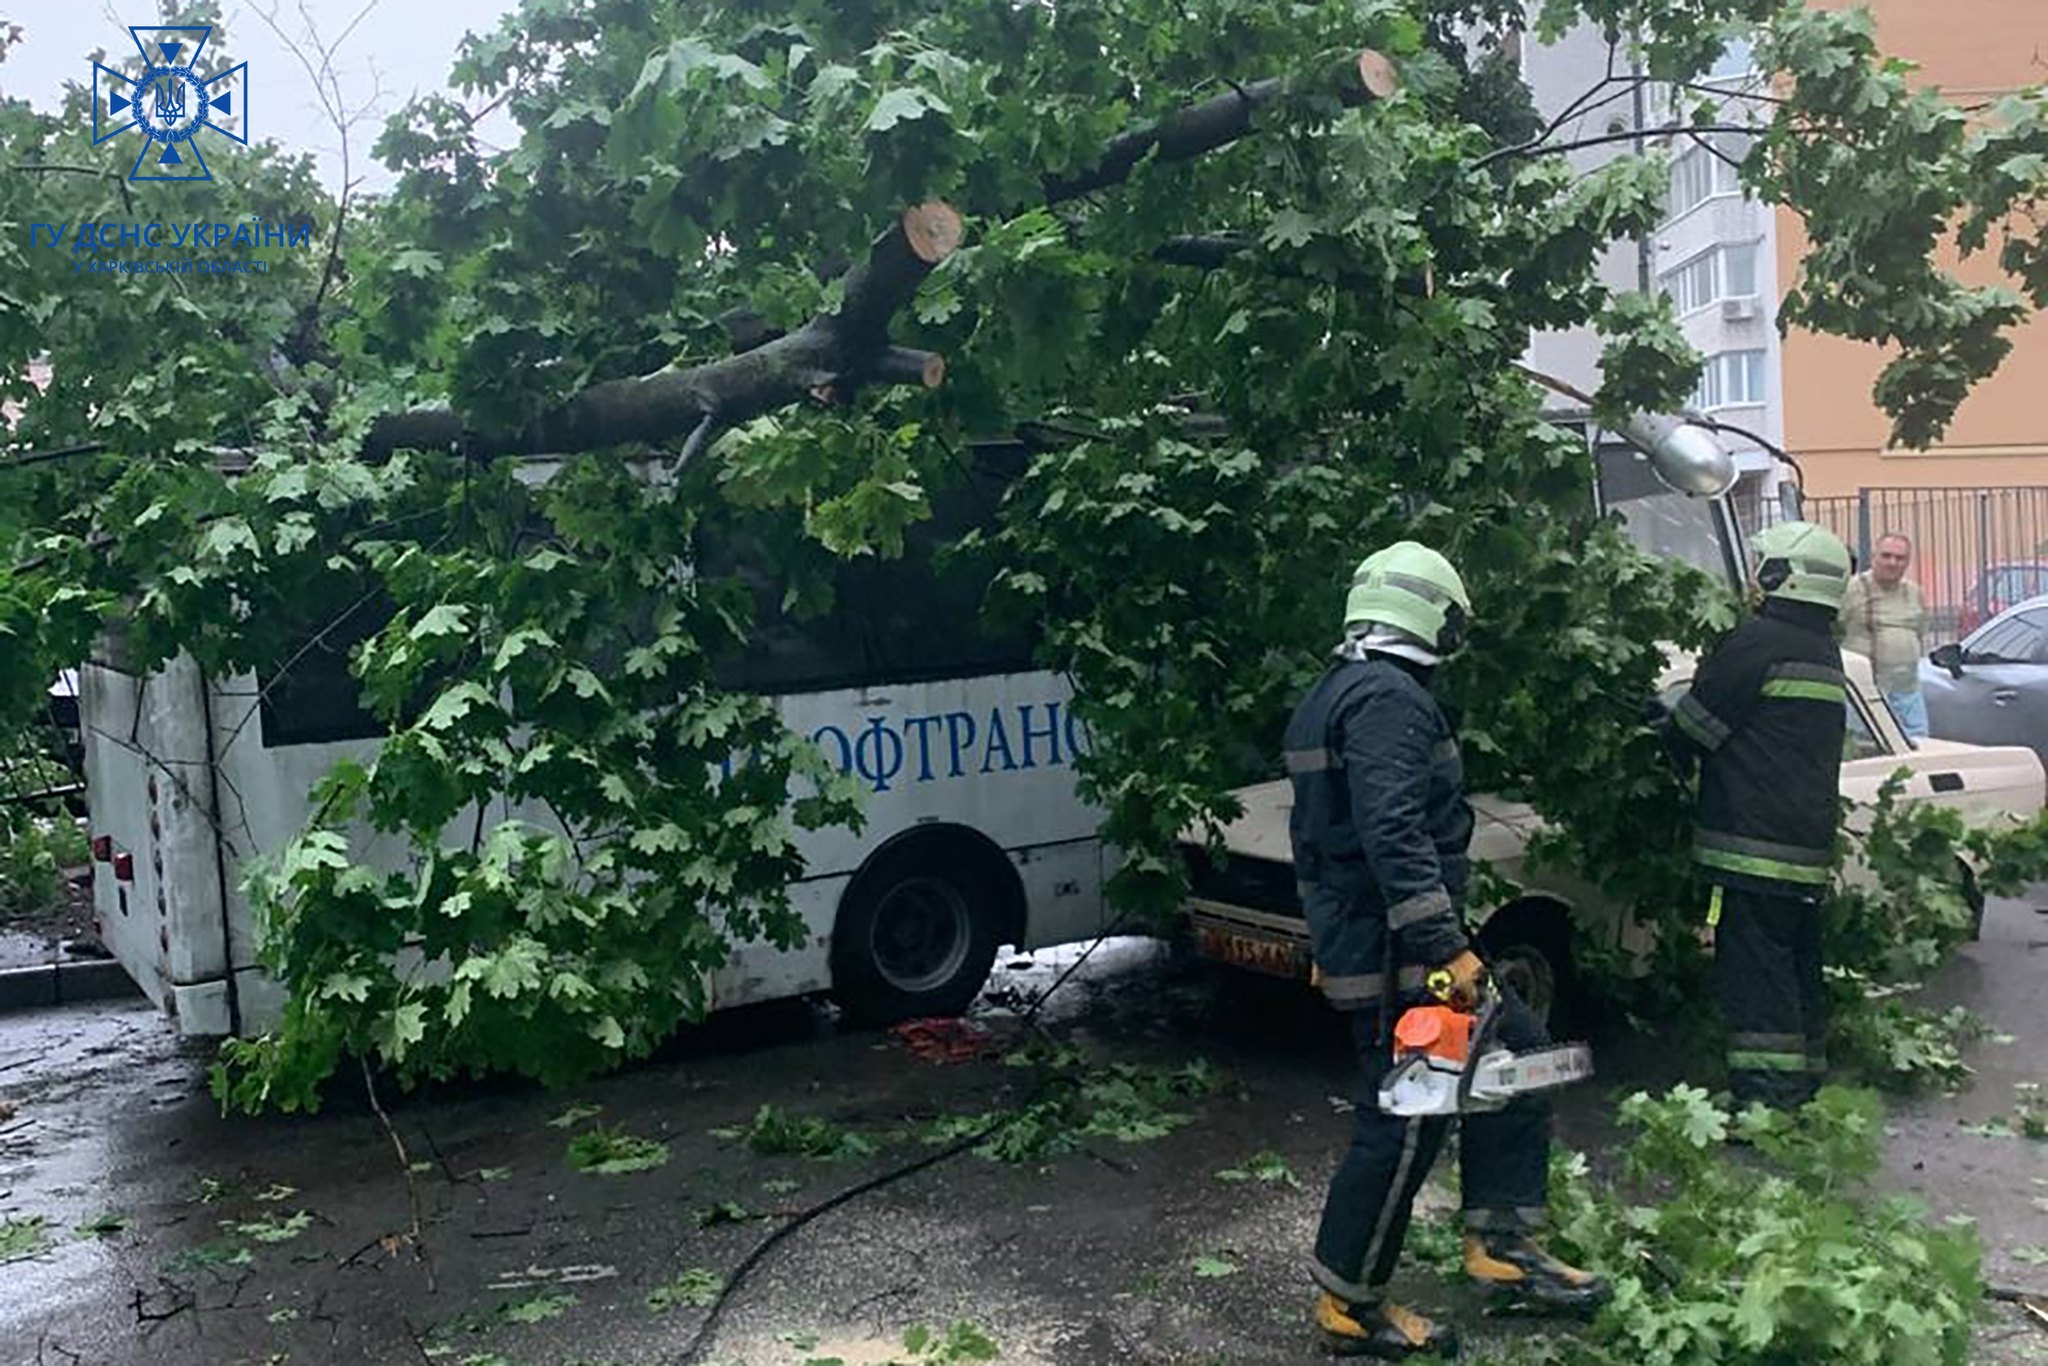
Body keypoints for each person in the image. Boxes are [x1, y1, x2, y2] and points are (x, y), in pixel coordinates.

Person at [1285, 542, 1610, 1360]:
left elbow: (1321, 838)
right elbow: (1390, 832)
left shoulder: (1336, 692)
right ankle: (1350, 1308)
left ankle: (1502, 1250)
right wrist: (1444, 947)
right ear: (1435, 616)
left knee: (1520, 1064)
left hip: (1386, 942)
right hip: (1406, 951)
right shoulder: (1390, 698)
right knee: (1404, 1122)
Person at [1663, 521, 1850, 1112]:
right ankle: (1804, 1084)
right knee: (1796, 967)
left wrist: (1663, 723)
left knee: (1757, 977)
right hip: (1805, 845)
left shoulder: (1756, 642)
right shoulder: (1822, 648)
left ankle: (1767, 1104)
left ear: (1780, 576)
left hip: (1754, 845)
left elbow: (1695, 729)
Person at [1839, 532, 1929, 739]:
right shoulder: (1852, 590)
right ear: (1873, 557)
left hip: (1907, 689)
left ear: (1907, 562)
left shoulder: (1915, 592)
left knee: (1919, 748)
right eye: (1886, 556)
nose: (1892, 562)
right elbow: (1835, 629)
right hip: (1866, 693)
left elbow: (1921, 629)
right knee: (1867, 751)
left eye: (1900, 558)